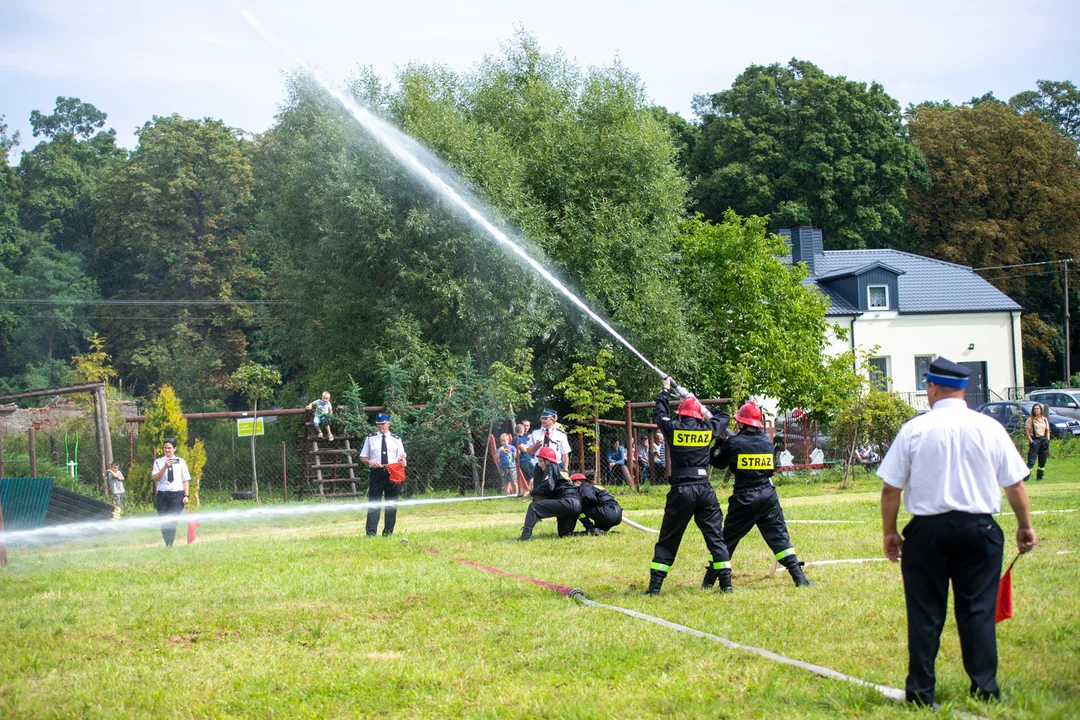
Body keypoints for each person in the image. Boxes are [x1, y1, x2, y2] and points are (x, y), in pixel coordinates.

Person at [878, 357, 1037, 707]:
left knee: (925, 613)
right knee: (978, 610)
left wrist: (890, 532)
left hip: (927, 532)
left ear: (932, 388)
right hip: (979, 529)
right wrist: (1025, 526)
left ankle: (920, 694)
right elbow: (1015, 485)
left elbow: (891, 490)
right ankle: (984, 689)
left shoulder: (914, 430)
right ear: (963, 390)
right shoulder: (989, 427)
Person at [709, 402, 813, 588]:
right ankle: (800, 579)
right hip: (767, 496)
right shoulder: (767, 442)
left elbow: (717, 462)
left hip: (744, 498)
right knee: (780, 537)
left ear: (742, 423)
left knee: (727, 540)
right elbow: (770, 469)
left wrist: (720, 441)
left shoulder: (734, 443)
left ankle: (708, 582)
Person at [644, 377, 733, 595]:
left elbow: (659, 414)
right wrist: (704, 408)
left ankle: (655, 588)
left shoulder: (673, 428)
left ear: (681, 414)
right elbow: (724, 417)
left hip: (681, 490)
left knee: (668, 538)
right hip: (704, 489)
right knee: (715, 537)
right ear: (697, 415)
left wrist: (665, 391)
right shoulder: (707, 428)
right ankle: (727, 586)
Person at [517, 446, 581, 540]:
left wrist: (531, 493)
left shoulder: (551, 466)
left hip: (567, 502)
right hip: (575, 505)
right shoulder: (558, 469)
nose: (539, 464)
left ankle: (525, 536)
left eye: (540, 461)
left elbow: (548, 486)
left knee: (534, 507)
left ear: (547, 461)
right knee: (564, 534)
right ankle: (592, 532)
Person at [359, 412, 407, 537]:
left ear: (388, 424)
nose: (381, 427)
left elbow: (402, 455)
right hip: (377, 472)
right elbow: (363, 456)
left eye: (383, 424)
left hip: (392, 472)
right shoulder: (370, 438)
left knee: (391, 503)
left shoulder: (396, 439)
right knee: (374, 502)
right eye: (379, 424)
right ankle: (371, 533)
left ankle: (388, 533)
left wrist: (402, 460)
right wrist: (370, 462)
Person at [151, 438, 190, 547]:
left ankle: (170, 544)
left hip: (177, 495)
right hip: (162, 495)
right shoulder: (158, 462)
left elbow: (185, 480)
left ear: (174, 449)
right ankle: (167, 543)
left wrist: (186, 495)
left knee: (172, 521)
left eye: (169, 448)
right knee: (163, 521)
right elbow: (156, 478)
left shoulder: (181, 462)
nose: (167, 450)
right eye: (165, 448)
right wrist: (165, 467)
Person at [1025, 403, 1050, 481]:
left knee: (1042, 460)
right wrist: (1031, 441)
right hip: (1035, 440)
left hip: (1043, 440)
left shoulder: (1044, 419)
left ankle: (1039, 477)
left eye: (1037, 409)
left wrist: (1048, 439)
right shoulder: (1031, 419)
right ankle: (1025, 478)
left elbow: (1048, 430)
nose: (1036, 410)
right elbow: (1027, 432)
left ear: (1040, 410)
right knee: (1031, 460)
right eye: (1034, 409)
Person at [515, 421, 535, 493]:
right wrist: (528, 447)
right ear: (521, 430)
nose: (525, 430)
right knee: (529, 478)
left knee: (534, 476)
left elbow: (527, 447)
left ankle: (529, 491)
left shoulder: (523, 438)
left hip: (528, 459)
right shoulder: (516, 438)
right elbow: (524, 449)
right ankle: (528, 492)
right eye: (524, 429)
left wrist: (528, 446)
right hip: (523, 461)